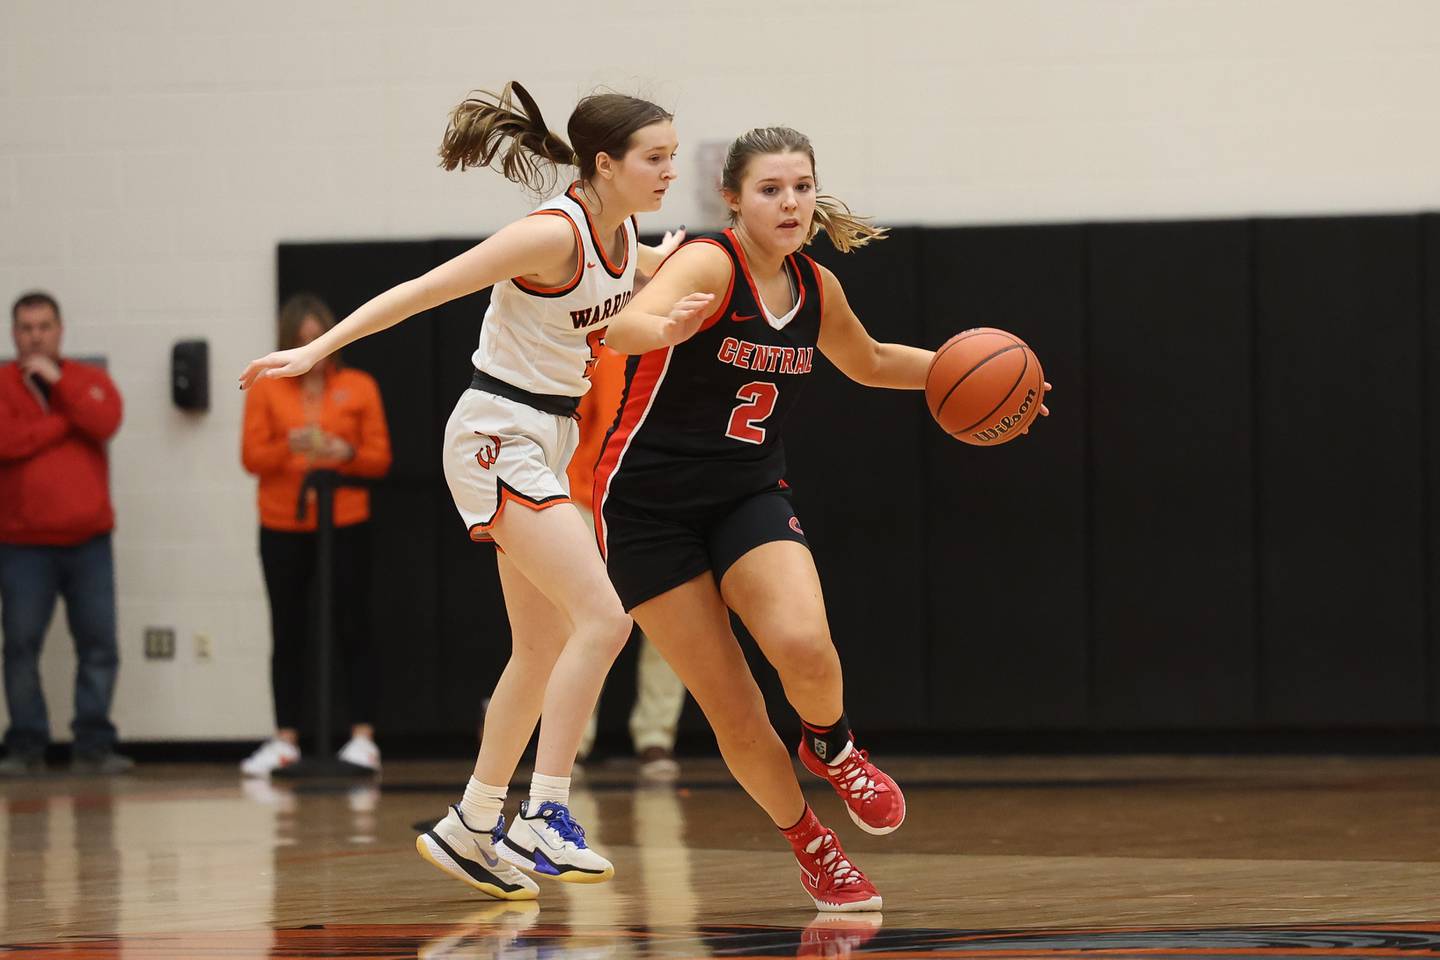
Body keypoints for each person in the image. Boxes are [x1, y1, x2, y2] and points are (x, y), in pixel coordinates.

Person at [239, 81, 682, 900]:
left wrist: (688, 292)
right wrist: (314, 352)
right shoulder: (549, 235)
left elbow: (637, 300)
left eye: (672, 158)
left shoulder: (626, 234)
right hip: (497, 433)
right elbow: (424, 291)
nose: (668, 173)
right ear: (606, 163)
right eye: (655, 159)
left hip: (546, 436)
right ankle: (544, 809)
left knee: (541, 647)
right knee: (605, 619)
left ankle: (472, 823)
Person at [600, 126, 1049, 911]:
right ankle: (813, 845)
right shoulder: (710, 261)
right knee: (734, 708)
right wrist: (657, 326)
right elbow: (627, 325)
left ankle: (835, 747)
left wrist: (996, 388)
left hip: (745, 493)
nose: (791, 202)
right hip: (644, 511)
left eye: (802, 187)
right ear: (733, 198)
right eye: (771, 189)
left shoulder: (815, 287)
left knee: (805, 643)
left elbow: (871, 362)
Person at [240, 293, 393, 776]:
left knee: (354, 624)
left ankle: (363, 737)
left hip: (346, 519)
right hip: (283, 522)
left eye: (318, 339)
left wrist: (342, 450)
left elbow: (379, 458)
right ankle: (286, 739)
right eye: (301, 340)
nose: (312, 348)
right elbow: (251, 458)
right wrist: (291, 445)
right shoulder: (267, 389)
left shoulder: (360, 386)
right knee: (287, 628)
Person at [0, 291, 130, 776]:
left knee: (99, 645)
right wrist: (62, 424)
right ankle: (26, 744)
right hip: (21, 545)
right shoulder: (2, 384)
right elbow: (7, 444)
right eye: (26, 327)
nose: (35, 335)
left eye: (44, 326)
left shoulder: (88, 381)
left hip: (89, 541)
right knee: (20, 646)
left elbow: (105, 420)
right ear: (14, 334)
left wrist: (62, 391)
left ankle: (93, 744)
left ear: (60, 330)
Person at [567, 344, 686, 780]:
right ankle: (573, 741)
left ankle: (656, 737)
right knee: (588, 620)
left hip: (664, 502)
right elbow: (576, 420)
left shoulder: (688, 347)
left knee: (672, 622)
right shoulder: (606, 347)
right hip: (589, 496)